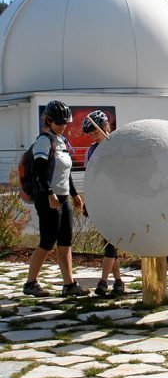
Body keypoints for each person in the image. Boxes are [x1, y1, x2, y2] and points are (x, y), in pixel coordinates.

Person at [23, 100, 90, 298]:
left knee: (65, 241)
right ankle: (30, 283)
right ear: (49, 121)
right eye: (59, 122)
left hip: (62, 197)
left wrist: (74, 193)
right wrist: (49, 193)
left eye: (65, 123)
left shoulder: (61, 141)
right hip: (48, 198)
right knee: (47, 241)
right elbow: (39, 170)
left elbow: (64, 172)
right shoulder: (44, 141)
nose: (63, 126)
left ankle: (69, 285)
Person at [81, 110, 125, 298]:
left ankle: (104, 281)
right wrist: (87, 200)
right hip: (100, 200)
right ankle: (119, 282)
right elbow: (89, 177)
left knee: (111, 241)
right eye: (90, 134)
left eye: (95, 132)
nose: (93, 136)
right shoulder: (91, 150)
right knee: (108, 242)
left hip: (117, 200)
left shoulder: (117, 145)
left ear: (106, 126)